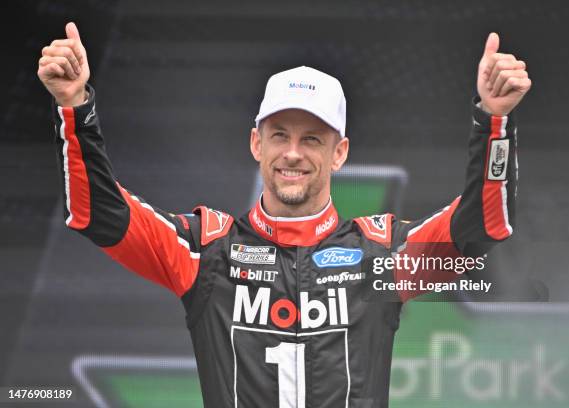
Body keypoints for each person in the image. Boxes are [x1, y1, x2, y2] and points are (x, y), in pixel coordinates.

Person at [38, 22, 531, 408]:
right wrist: (74, 105)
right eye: (280, 135)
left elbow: (482, 225)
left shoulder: (383, 256)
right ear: (257, 143)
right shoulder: (206, 249)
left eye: (312, 139)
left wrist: (493, 121)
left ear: (339, 154)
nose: (293, 153)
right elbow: (99, 213)